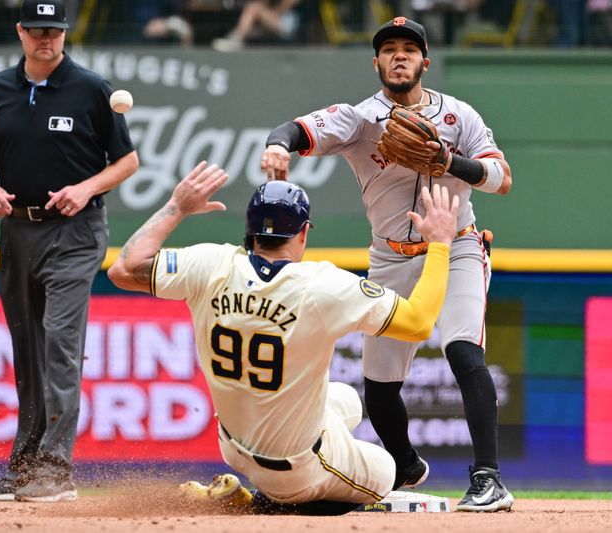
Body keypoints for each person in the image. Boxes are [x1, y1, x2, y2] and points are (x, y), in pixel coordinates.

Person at [260, 17, 514, 512]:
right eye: (389, 49)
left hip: (456, 245)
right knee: (379, 388)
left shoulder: (458, 115)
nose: (400, 56)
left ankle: (488, 478)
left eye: (409, 49)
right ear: (376, 62)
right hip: (391, 257)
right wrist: (277, 144)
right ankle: (406, 464)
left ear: (425, 61)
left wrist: (449, 162)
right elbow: (297, 128)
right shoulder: (359, 119)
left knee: (464, 353)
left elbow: (501, 178)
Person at [107, 161, 458, 514]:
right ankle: (269, 503)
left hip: (231, 444)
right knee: (386, 470)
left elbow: (122, 270)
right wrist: (440, 244)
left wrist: (177, 207)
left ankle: (268, 486)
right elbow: (417, 323)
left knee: (347, 399)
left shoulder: (210, 264)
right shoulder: (322, 286)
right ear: (304, 232)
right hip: (294, 470)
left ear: (251, 231)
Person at [0, 0, 139, 503]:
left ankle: (55, 470)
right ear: (20, 31)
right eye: (38, 30)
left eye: (56, 31)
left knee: (59, 342)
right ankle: (23, 470)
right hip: (17, 231)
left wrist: (86, 188)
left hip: (75, 230)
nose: (47, 40)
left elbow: (127, 162)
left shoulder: (91, 88)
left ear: (65, 34)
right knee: (28, 350)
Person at [212, 0, 301, 51]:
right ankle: (235, 38)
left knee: (253, 8)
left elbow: (291, 2)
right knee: (250, 25)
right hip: (271, 24)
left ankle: (236, 39)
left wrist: (274, 14)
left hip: (288, 23)